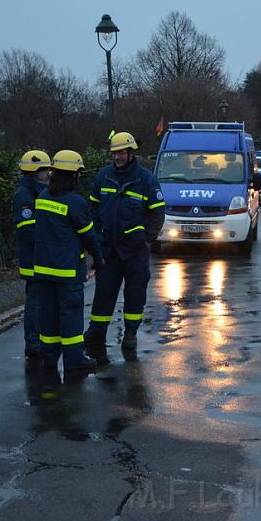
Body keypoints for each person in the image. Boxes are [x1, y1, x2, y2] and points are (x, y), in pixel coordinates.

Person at [84, 132, 165, 364]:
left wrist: (146, 238)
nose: (117, 157)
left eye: (121, 152)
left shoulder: (146, 180)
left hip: (135, 250)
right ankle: (96, 333)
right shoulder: (103, 177)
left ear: (131, 153)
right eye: (114, 153)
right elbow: (93, 210)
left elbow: (158, 212)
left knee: (135, 293)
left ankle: (130, 333)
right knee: (103, 294)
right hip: (109, 249)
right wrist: (96, 240)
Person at [33, 150, 104, 373]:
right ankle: (74, 360)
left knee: (49, 315)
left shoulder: (43, 196)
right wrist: (98, 260)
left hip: (43, 270)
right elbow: (89, 235)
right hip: (67, 272)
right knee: (70, 314)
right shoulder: (75, 202)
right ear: (73, 175)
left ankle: (50, 357)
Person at [12, 150, 52, 359]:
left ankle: (38, 340)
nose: (48, 174)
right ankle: (33, 343)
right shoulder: (25, 195)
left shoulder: (35, 191)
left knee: (41, 302)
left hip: (40, 258)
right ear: (36, 172)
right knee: (35, 303)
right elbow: (28, 230)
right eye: (46, 170)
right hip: (34, 260)